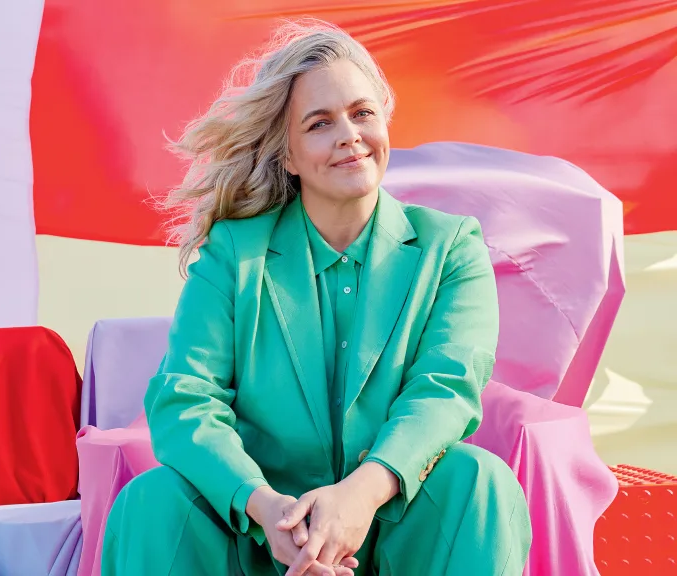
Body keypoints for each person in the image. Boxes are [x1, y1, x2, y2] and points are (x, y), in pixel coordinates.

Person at [101, 19, 531, 576]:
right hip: (261, 535)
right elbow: (185, 397)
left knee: (481, 481)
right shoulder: (233, 253)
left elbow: (445, 390)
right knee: (151, 501)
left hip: (396, 523)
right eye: (320, 123)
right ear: (288, 155)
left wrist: (360, 497)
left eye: (363, 113)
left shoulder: (450, 247)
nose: (349, 135)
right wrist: (266, 510)